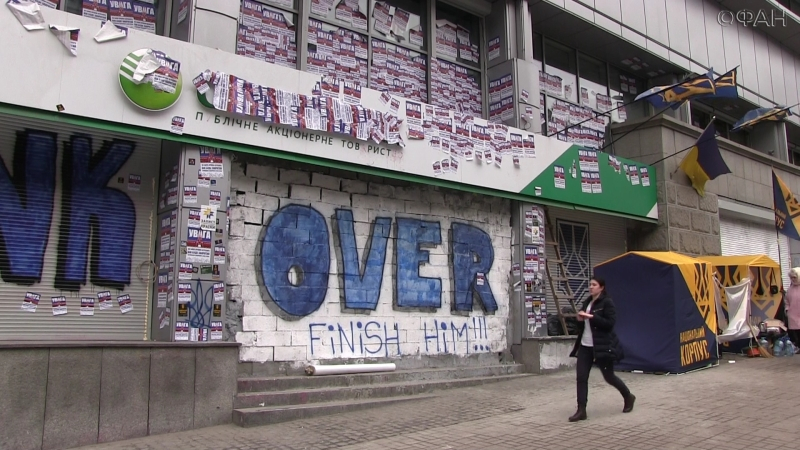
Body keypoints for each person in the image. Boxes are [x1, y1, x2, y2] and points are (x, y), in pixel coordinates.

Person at [567, 276, 635, 422]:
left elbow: (610, 323)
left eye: (594, 285)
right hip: (585, 345)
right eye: (590, 284)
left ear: (601, 287)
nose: (591, 287)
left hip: (601, 346)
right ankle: (581, 410)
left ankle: (628, 396)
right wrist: (579, 320)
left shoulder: (607, 302)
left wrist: (592, 317)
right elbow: (583, 326)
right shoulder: (587, 302)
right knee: (581, 377)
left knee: (609, 376)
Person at [785, 268, 800, 350]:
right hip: (793, 314)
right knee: (796, 332)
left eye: (794, 277)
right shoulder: (790, 289)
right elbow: (787, 301)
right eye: (791, 278)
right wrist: (787, 309)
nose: (793, 279)